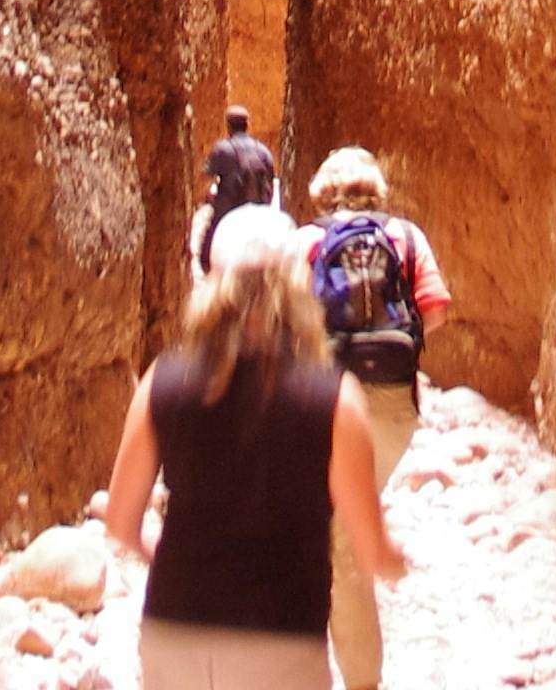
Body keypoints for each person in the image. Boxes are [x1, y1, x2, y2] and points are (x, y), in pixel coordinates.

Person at [106, 201, 408, 690]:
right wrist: (400, 561)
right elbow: (371, 553)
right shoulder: (335, 398)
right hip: (280, 641)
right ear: (297, 287)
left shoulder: (160, 380)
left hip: (174, 632)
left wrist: (170, 557)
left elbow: (121, 523)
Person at [295, 148, 450, 690]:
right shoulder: (406, 237)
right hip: (390, 408)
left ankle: (356, 679)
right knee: (340, 529)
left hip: (325, 404)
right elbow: (434, 309)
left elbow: (283, 320)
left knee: (336, 540)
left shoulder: (307, 241)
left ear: (322, 191)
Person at [191, 103, 283, 275]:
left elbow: (204, 179)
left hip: (228, 212)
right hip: (259, 212)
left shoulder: (222, 149)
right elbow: (271, 181)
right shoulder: (263, 151)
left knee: (206, 251)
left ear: (228, 126)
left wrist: (209, 198)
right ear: (247, 125)